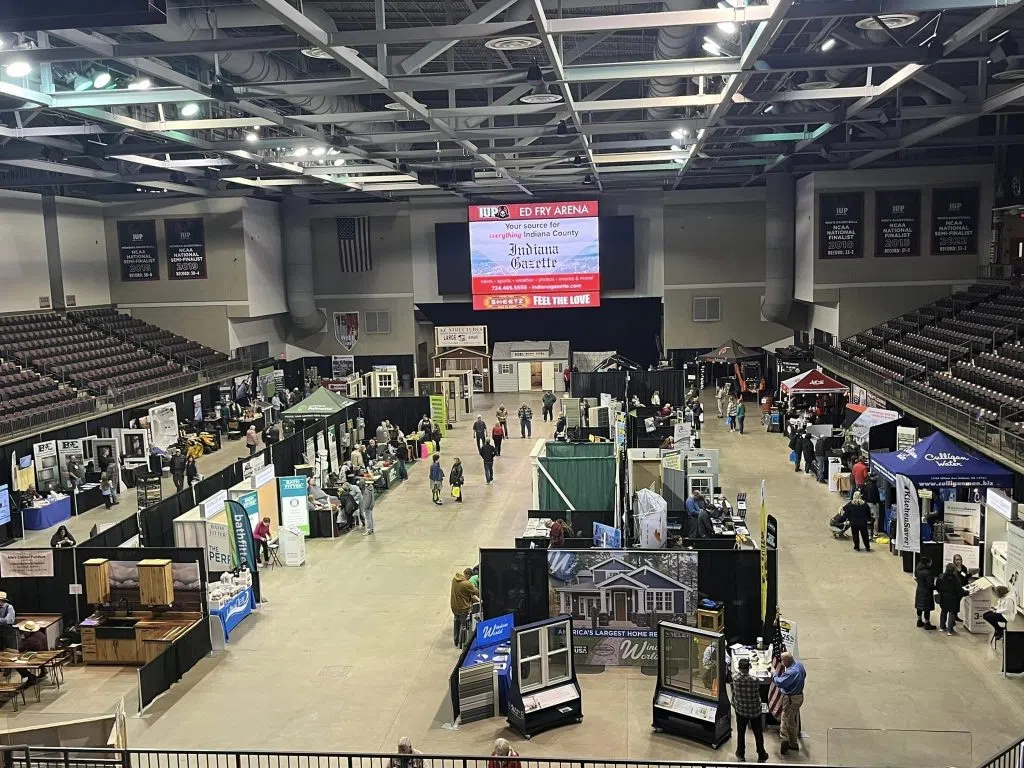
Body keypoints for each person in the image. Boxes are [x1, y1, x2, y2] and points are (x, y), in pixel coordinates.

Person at [732, 656, 770, 763]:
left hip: (741, 711)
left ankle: (741, 754)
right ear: (749, 668)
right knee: (758, 733)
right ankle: (761, 754)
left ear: (739, 668)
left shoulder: (735, 679)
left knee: (741, 733)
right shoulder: (755, 680)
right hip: (755, 711)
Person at [772, 651, 806, 755]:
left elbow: (779, 682)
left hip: (791, 698)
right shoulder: (799, 665)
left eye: (782, 661)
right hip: (799, 696)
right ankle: (793, 743)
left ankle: (785, 740)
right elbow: (804, 675)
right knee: (791, 720)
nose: (782, 663)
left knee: (785, 718)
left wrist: (774, 673)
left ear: (786, 661)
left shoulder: (790, 673)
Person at [450, 568, 480, 648]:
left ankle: (456, 641)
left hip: (454, 606)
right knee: (464, 626)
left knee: (456, 622)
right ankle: (461, 644)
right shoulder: (467, 584)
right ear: (468, 575)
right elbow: (476, 592)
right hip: (463, 608)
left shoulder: (454, 580)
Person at [936, 563, 968, 635]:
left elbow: (937, 586)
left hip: (943, 597)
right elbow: (959, 590)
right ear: (954, 570)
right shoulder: (956, 579)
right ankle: (950, 630)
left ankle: (942, 627)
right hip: (953, 598)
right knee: (952, 613)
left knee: (943, 611)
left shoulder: (941, 577)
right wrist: (966, 592)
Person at [914, 557, 937, 630]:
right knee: (927, 608)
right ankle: (927, 623)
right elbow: (930, 585)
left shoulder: (917, 568)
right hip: (926, 592)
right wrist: (937, 587)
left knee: (919, 606)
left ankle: (919, 620)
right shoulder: (928, 572)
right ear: (927, 563)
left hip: (919, 590)